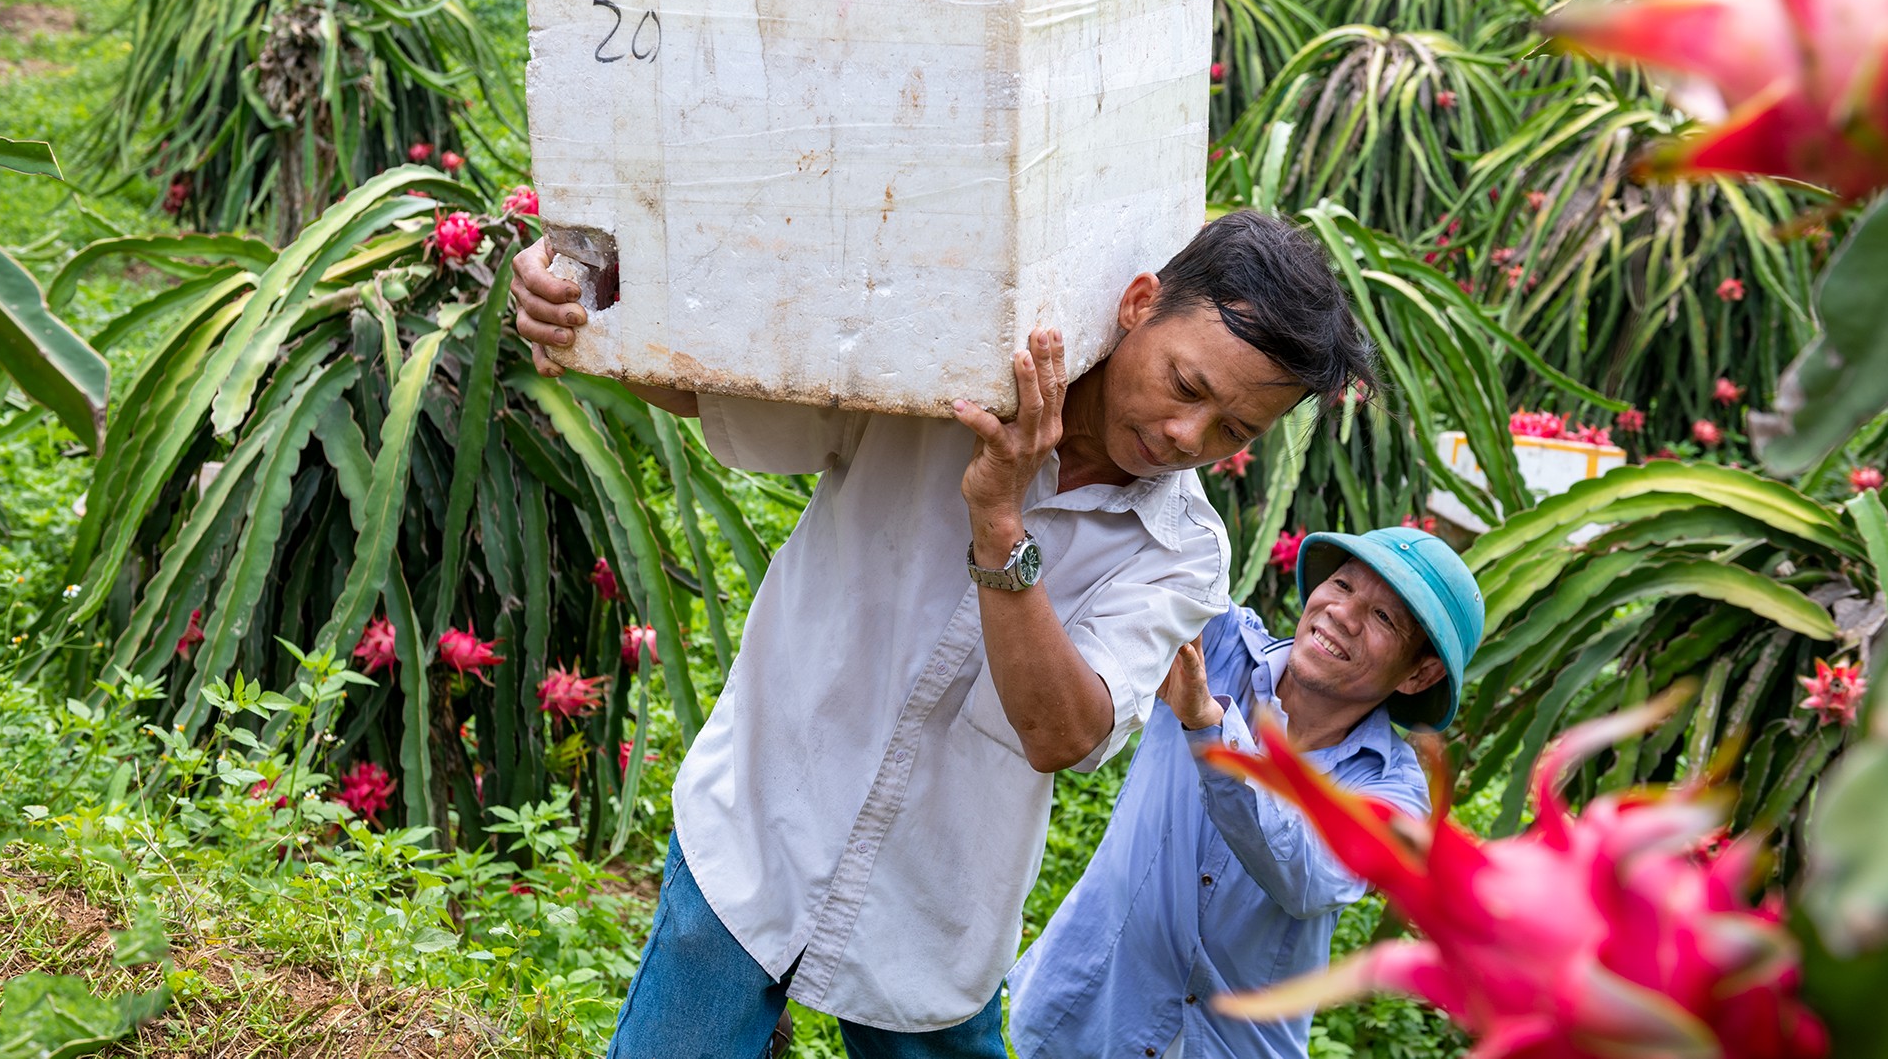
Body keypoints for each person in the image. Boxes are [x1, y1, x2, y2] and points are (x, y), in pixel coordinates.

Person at [510, 210, 1374, 1056]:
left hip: (936, 917)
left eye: (1233, 431)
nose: (1187, 435)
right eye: (1187, 387)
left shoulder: (1180, 554)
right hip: (762, 827)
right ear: (1139, 301)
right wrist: (583, 312)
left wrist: (1000, 525)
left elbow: (1064, 733)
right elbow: (708, 387)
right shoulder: (942, 368)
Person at [1006, 525, 1484, 1059]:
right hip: (1083, 1022)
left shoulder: (1392, 794)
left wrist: (1211, 727)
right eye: (1344, 586)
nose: (1342, 615)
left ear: (1420, 674)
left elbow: (1309, 879)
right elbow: (1150, 542)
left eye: (1383, 618)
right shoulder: (1218, 639)